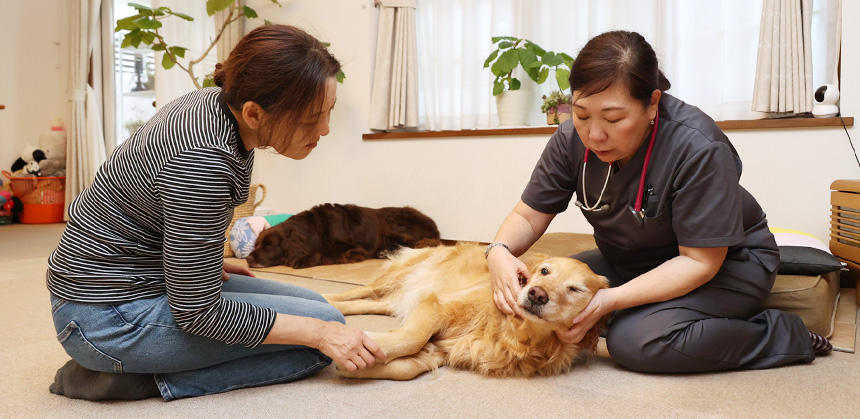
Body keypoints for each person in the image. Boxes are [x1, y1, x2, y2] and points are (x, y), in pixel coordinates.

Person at [46, 25, 385, 401]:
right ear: (254, 113)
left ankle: (144, 361)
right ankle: (133, 380)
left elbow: (147, 213)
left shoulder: (218, 104)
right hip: (105, 318)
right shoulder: (201, 161)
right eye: (310, 119)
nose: (323, 129)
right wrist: (320, 336)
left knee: (318, 309)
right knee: (321, 335)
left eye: (328, 112)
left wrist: (195, 261)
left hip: (141, 281)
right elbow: (198, 313)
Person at [487, 30, 832, 374]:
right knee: (545, 291)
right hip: (631, 260)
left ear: (652, 103)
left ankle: (782, 335)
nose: (594, 135)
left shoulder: (697, 147)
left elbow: (699, 262)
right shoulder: (569, 141)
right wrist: (499, 250)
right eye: (581, 114)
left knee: (637, 341)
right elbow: (529, 216)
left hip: (724, 265)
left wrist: (611, 300)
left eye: (613, 118)